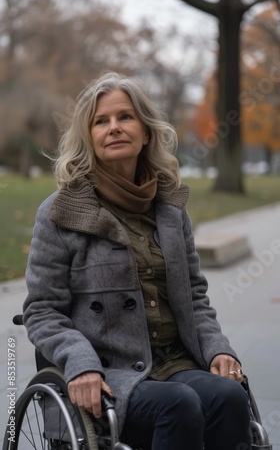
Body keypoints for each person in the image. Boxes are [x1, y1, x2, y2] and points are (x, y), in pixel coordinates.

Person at [23, 71, 251, 450]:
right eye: (101, 121)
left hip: (176, 363)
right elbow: (43, 311)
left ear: (146, 132)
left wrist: (219, 349)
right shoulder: (61, 213)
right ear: (89, 138)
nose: (114, 128)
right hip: (110, 371)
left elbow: (195, 297)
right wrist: (80, 363)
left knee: (229, 396)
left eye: (125, 117)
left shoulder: (171, 209)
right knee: (179, 405)